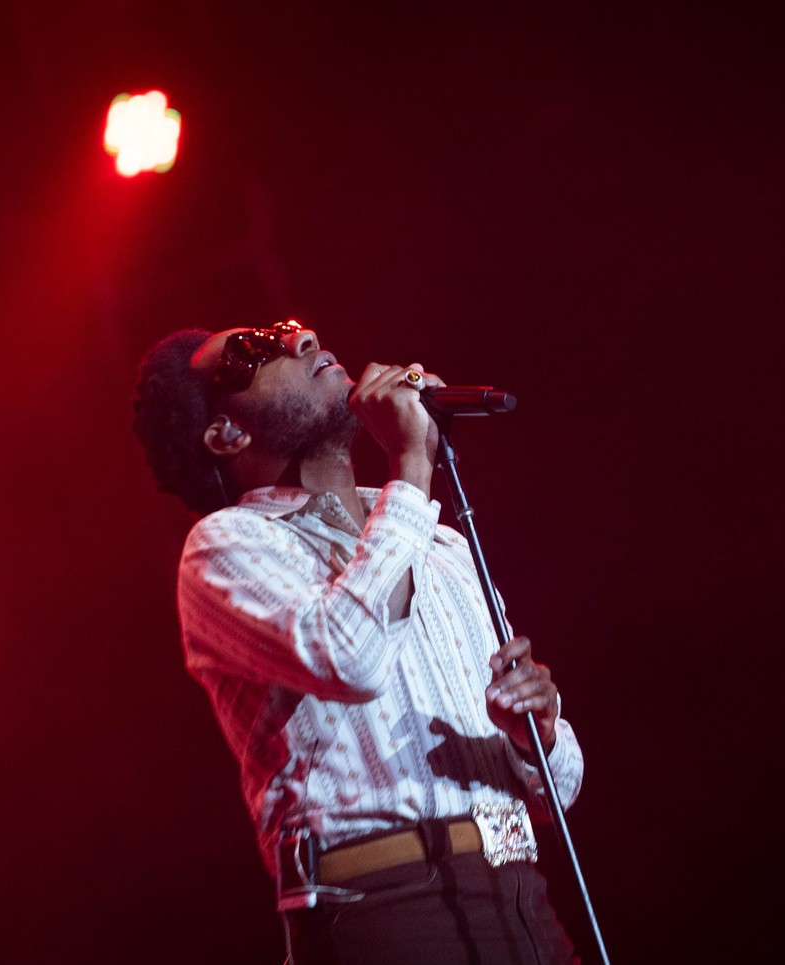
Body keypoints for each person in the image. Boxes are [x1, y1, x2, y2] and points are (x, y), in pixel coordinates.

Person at [132, 318, 584, 964]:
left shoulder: (437, 540)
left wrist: (535, 729)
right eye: (256, 350)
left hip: (521, 901)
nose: (303, 338)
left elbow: (559, 788)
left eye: (292, 329)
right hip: (388, 908)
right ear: (226, 432)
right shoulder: (228, 545)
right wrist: (410, 464)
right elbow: (352, 655)